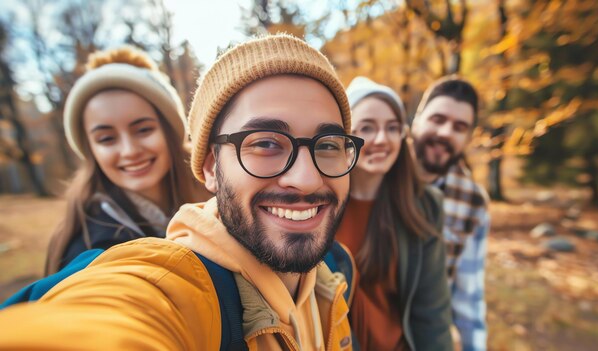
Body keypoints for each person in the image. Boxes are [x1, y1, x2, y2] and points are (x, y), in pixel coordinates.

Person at [0, 34, 364, 350]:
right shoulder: (173, 281)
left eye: (328, 145)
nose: (305, 178)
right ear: (210, 168)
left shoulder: (334, 274)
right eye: (266, 142)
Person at [45, 46, 208, 274]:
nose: (129, 151)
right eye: (107, 138)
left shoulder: (219, 197)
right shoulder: (89, 248)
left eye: (143, 130)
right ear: (91, 150)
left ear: (170, 131)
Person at [334, 76, 452, 351]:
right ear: (345, 136)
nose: (381, 139)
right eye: (367, 127)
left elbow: (432, 311)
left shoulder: (425, 205)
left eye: (392, 128)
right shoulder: (320, 203)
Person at [410, 76, 490, 351]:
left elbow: (469, 294)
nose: (445, 132)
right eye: (438, 119)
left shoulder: (473, 202)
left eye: (459, 127)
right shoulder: (378, 173)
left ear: (467, 138)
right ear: (417, 120)